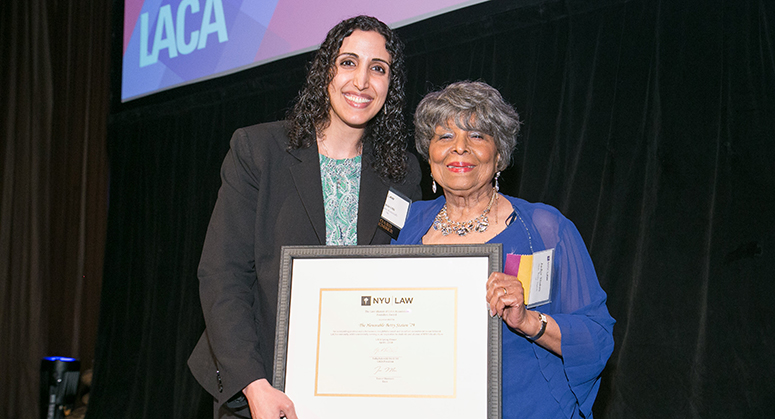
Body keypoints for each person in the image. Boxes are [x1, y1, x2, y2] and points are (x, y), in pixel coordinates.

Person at [188, 16, 422, 419]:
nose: (362, 82)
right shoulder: (260, 150)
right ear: (325, 70)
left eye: (378, 68)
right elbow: (222, 275)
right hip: (264, 390)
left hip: (362, 390)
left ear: (391, 85)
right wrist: (255, 386)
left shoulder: (403, 173)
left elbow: (408, 278)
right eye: (348, 62)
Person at [395, 81, 614, 418]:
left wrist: (528, 321)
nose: (460, 148)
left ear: (499, 156)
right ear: (429, 155)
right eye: (445, 136)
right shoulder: (407, 225)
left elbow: (596, 339)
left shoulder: (545, 229)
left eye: (478, 136)